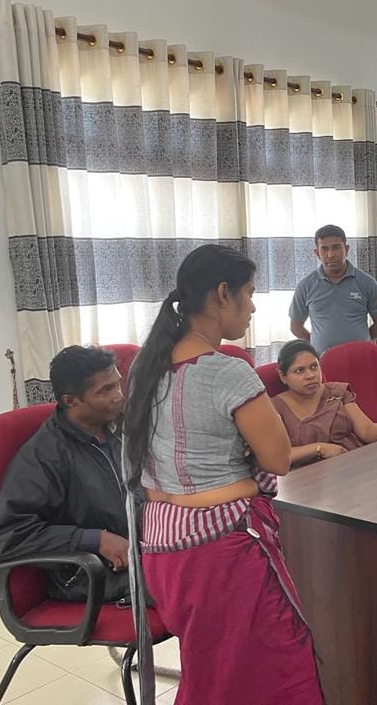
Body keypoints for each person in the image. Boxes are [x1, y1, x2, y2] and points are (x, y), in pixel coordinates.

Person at [124, 244, 322, 705]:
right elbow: (278, 458)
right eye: (248, 293)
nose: (252, 307)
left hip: (162, 548)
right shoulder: (228, 371)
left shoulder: (144, 368)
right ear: (221, 294)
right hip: (223, 550)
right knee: (270, 674)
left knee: (211, 672)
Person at [0, 346, 130, 603]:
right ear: (70, 401)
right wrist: (95, 539)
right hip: (92, 573)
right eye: (105, 390)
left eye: (118, 384)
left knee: (206, 561)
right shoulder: (43, 455)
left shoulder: (120, 428)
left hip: (144, 550)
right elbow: (8, 537)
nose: (118, 396)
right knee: (192, 585)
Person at [272, 339, 377, 464]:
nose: (310, 375)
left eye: (314, 367)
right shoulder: (274, 407)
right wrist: (319, 448)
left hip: (354, 465)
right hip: (309, 478)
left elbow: (366, 430)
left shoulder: (337, 392)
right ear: (283, 376)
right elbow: (277, 456)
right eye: (299, 371)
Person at [289, 224, 377, 353]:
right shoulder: (306, 286)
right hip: (323, 360)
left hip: (360, 357)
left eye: (336, 248)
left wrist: (362, 343)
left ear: (346, 249)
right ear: (317, 253)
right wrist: (314, 345)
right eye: (324, 249)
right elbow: (296, 327)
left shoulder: (367, 283)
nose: (330, 255)